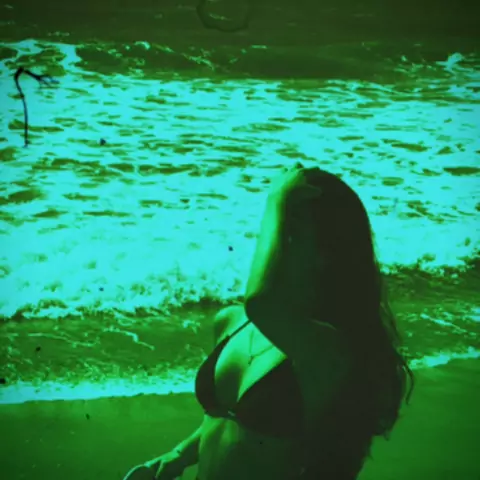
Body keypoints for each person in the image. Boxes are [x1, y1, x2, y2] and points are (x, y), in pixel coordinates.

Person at [124, 164, 415, 480]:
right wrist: (180, 455)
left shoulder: (328, 345)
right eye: (279, 226)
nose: (276, 239)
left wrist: (276, 199)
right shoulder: (232, 322)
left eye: (291, 229)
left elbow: (260, 302)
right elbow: (226, 421)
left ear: (327, 251)